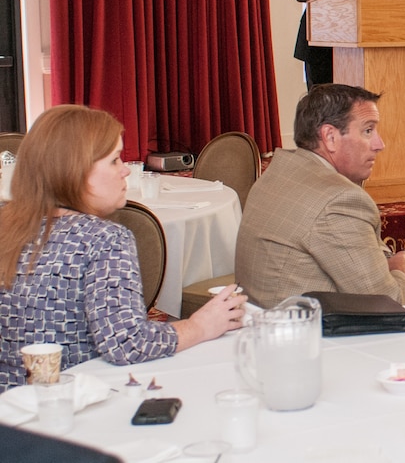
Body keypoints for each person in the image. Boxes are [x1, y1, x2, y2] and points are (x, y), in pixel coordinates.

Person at [0, 106, 245, 393]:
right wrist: (201, 325)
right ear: (76, 171)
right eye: (115, 160)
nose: (126, 169)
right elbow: (126, 343)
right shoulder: (104, 239)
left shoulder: (7, 225)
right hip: (71, 408)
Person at [235, 84, 405, 308]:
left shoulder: (280, 172)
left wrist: (385, 263)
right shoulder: (338, 201)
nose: (380, 144)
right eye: (368, 131)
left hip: (260, 322)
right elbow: (386, 303)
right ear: (330, 137)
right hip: (308, 334)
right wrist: (401, 273)